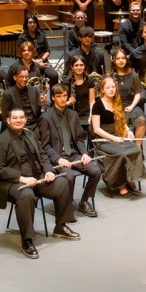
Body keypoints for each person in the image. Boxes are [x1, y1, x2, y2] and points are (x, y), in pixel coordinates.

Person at [0, 108, 80, 259]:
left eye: (21, 118)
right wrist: (22, 179)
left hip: (36, 178)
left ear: (25, 120)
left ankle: (60, 227)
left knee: (63, 183)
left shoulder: (31, 135)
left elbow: (43, 155)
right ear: (8, 121)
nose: (18, 120)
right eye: (15, 118)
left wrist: (49, 170)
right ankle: (27, 239)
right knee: (26, 194)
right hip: (10, 182)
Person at [39, 84, 101, 218]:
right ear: (53, 98)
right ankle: (65, 206)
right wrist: (58, 159)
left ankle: (84, 201)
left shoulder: (73, 114)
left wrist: (84, 153)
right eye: (59, 96)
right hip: (58, 157)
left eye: (64, 96)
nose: (62, 99)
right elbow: (45, 146)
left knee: (96, 171)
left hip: (74, 155)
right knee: (70, 176)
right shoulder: (46, 118)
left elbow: (79, 139)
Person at [90, 77, 146, 197]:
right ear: (103, 90)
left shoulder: (117, 102)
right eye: (108, 88)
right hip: (104, 139)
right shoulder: (97, 105)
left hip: (118, 135)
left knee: (136, 149)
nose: (111, 89)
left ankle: (130, 178)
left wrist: (129, 131)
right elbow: (96, 129)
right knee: (121, 154)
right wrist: (113, 138)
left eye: (113, 87)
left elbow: (122, 122)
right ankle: (120, 184)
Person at [107, 49, 146, 137]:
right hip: (114, 106)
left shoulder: (133, 74)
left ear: (126, 60)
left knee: (141, 121)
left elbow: (137, 93)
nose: (121, 61)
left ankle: (138, 148)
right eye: (118, 58)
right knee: (119, 123)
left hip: (131, 105)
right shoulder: (109, 76)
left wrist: (132, 106)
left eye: (123, 58)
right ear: (114, 60)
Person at [1, 64, 44, 130]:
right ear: (15, 77)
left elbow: (38, 112)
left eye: (26, 77)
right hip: (18, 126)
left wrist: (41, 104)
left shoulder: (34, 90)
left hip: (34, 125)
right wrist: (18, 127)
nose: (24, 79)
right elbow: (4, 118)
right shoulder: (8, 94)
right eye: (21, 77)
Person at [63, 56, 94, 127]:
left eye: (81, 65)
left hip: (87, 114)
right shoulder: (67, 81)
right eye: (76, 65)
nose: (79, 68)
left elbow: (92, 101)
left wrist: (91, 115)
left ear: (85, 66)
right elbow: (61, 103)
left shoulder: (89, 80)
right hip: (71, 115)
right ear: (72, 67)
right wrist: (69, 102)